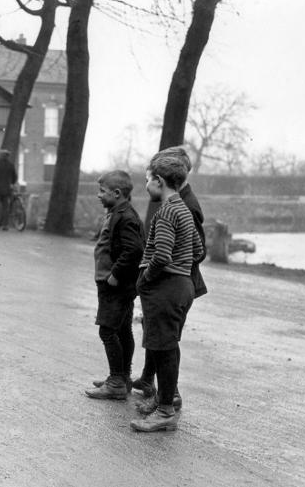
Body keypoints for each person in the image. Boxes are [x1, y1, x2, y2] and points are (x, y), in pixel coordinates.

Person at [130, 156, 203, 432]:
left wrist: (144, 280)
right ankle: (163, 402)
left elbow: (160, 256)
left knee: (164, 349)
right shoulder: (182, 208)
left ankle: (165, 411)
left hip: (166, 288)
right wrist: (182, 264)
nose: (146, 186)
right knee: (165, 347)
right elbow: (198, 250)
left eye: (147, 180)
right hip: (183, 284)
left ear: (159, 181)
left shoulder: (165, 212)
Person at [84, 171, 145, 400]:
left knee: (107, 330)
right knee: (122, 329)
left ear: (117, 193)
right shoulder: (117, 212)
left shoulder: (126, 217)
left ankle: (117, 381)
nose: (99, 195)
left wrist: (115, 275)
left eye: (103, 191)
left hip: (116, 285)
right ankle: (122, 376)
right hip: (117, 285)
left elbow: (134, 250)